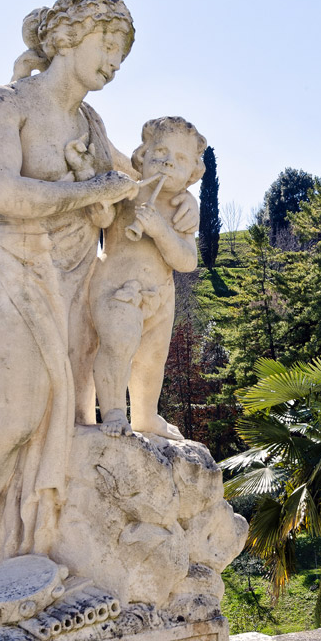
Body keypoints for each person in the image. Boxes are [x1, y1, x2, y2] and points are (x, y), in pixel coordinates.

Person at [0, 0, 148, 631]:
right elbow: (6, 193)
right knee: (12, 412)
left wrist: (172, 200)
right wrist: (92, 191)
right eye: (110, 46)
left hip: (69, 277)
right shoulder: (4, 105)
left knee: (63, 422)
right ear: (71, 36)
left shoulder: (94, 129)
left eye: (123, 55)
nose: (115, 64)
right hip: (5, 269)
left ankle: (34, 559)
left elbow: (144, 180)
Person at [91, 116, 206, 440]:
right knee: (118, 344)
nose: (169, 162)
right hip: (117, 288)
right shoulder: (129, 188)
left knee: (152, 361)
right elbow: (100, 217)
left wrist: (160, 229)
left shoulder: (182, 208)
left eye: (181, 159)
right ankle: (114, 410)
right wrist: (103, 198)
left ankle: (145, 415)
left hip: (161, 294)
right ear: (143, 156)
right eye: (161, 153)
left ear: (191, 174)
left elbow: (186, 261)